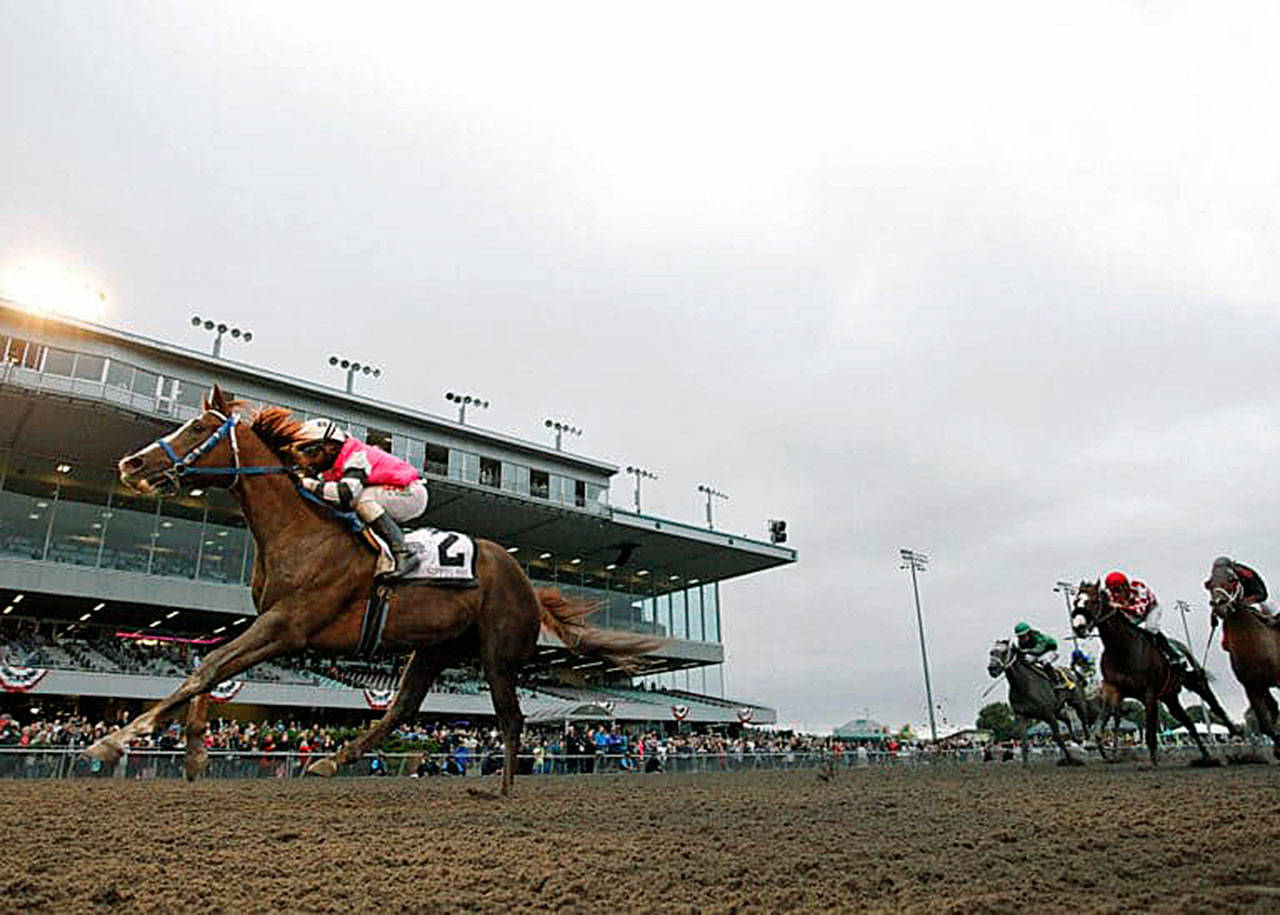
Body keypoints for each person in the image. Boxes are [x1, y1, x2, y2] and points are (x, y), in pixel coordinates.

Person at [288, 418, 427, 580]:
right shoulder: (330, 467)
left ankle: (404, 553)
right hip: (390, 490)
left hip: (411, 493)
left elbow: (346, 493)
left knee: (361, 500)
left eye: (311, 453)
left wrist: (309, 484)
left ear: (331, 448)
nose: (308, 460)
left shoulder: (357, 457)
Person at [1104, 571, 1186, 670]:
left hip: (1150, 610)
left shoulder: (1138, 587)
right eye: (1112, 590)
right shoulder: (1111, 596)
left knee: (1150, 627)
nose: (1115, 594)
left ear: (1125, 586)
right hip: (1133, 613)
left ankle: (1174, 654)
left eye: (1117, 590)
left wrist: (1119, 607)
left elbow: (1140, 611)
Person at [1204, 556, 1273, 616]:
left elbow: (1262, 594)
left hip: (1256, 600)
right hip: (1236, 602)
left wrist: (1245, 602)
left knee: (1260, 608)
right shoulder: (1216, 579)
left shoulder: (1245, 573)